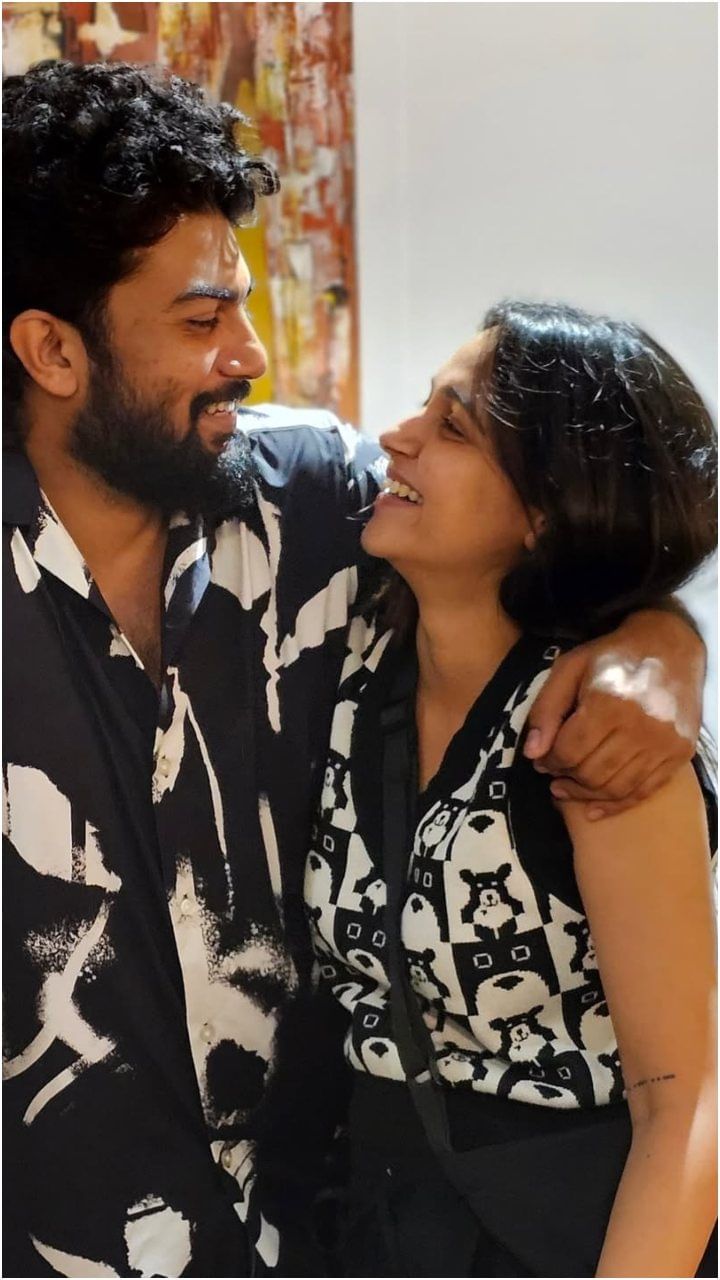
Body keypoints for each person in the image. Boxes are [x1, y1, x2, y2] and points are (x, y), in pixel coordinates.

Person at [1, 59, 708, 1278]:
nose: (251, 353)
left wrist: (661, 647)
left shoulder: (318, 500)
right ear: (53, 351)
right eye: (201, 320)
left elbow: (562, 523)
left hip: (322, 1233)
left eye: (242, 304)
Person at [305, 303, 717, 1278]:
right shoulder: (357, 655)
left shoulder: (593, 735)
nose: (396, 435)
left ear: (547, 512)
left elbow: (687, 1102)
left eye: (452, 427)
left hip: (566, 1231)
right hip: (383, 1215)